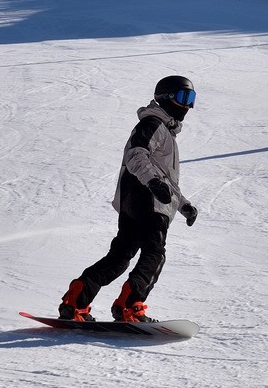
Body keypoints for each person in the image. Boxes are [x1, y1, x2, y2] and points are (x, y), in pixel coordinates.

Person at [58, 75, 198, 323]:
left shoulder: (163, 130)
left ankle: (76, 300)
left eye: (191, 99)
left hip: (135, 200)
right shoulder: (154, 124)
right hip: (149, 201)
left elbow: (165, 178)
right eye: (184, 97)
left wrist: (184, 204)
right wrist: (153, 184)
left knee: (119, 257)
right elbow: (135, 154)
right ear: (166, 97)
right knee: (155, 254)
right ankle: (130, 306)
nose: (188, 105)